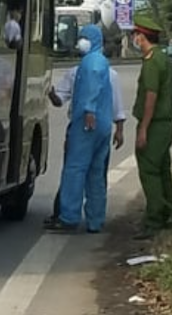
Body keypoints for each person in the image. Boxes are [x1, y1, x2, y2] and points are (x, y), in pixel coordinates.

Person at [45, 42, 126, 227]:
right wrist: (119, 130)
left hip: (84, 128)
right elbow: (118, 108)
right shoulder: (106, 73)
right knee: (97, 175)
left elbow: (61, 100)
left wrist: (89, 111)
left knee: (74, 171)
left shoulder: (83, 71)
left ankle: (68, 217)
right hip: (103, 129)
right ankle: (95, 221)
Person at [131, 14, 172, 240]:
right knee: (163, 171)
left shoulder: (152, 63)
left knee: (149, 171)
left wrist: (143, 129)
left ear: (141, 37)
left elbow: (151, 98)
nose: (134, 40)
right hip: (165, 126)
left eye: (135, 35)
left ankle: (154, 220)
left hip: (155, 125)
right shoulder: (163, 59)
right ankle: (169, 213)